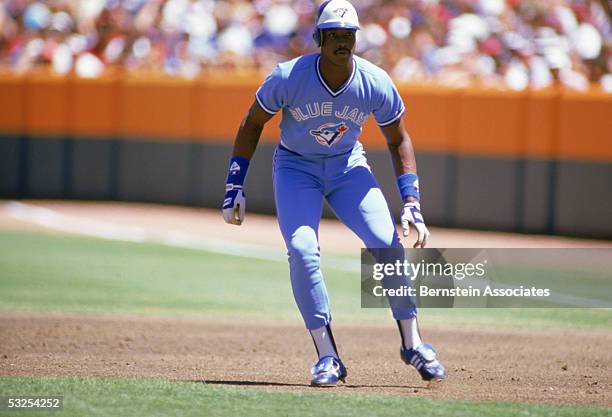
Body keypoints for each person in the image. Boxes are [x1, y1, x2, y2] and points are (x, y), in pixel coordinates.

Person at [222, 0, 446, 387]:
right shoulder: (289, 76)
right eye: (334, 34)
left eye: (349, 35)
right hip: (297, 168)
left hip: (347, 167)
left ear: (356, 39)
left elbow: (398, 139)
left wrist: (411, 200)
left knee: (386, 242)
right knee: (304, 250)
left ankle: (413, 343)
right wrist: (234, 183)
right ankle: (327, 355)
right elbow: (252, 121)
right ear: (320, 38)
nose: (342, 41)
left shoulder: (375, 81)